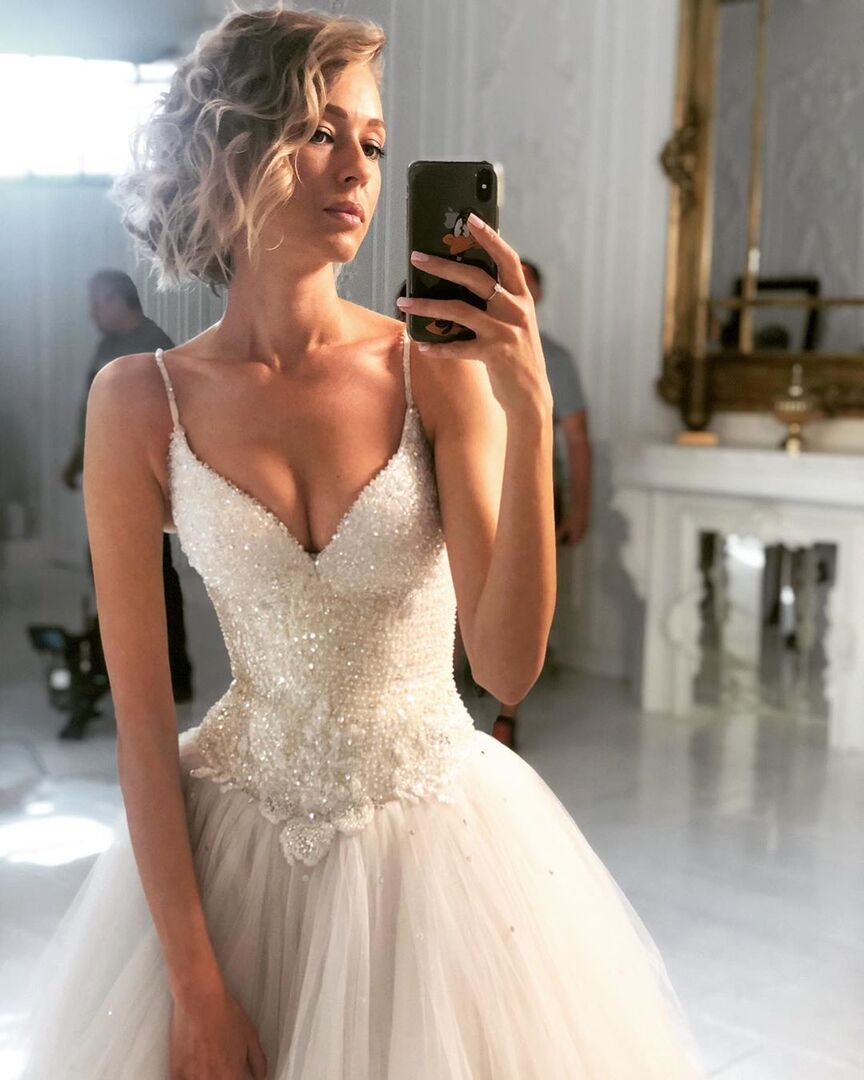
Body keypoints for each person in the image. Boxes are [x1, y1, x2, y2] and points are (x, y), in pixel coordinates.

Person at [17, 9, 704, 1077]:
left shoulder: (432, 373)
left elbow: (508, 666)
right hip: (236, 849)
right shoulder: (138, 402)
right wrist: (196, 990)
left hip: (440, 853)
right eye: (317, 132)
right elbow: (144, 729)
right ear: (231, 150)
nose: (357, 171)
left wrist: (527, 410)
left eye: (373, 144)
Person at [63, 270, 194, 708]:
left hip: (142, 485)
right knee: (112, 572)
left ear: (119, 299)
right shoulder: (107, 346)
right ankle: (123, 670)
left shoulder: (153, 349)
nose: (91, 311)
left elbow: (173, 422)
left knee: (152, 580)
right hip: (111, 478)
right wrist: (77, 458)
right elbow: (93, 411)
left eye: (98, 301)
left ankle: (170, 676)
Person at [489, 258, 592, 752]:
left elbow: (577, 438)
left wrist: (580, 508)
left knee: (521, 601)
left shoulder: (556, 359)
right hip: (476, 482)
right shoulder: (468, 340)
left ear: (539, 296)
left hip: (534, 489)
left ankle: (506, 717)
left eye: (526, 286)